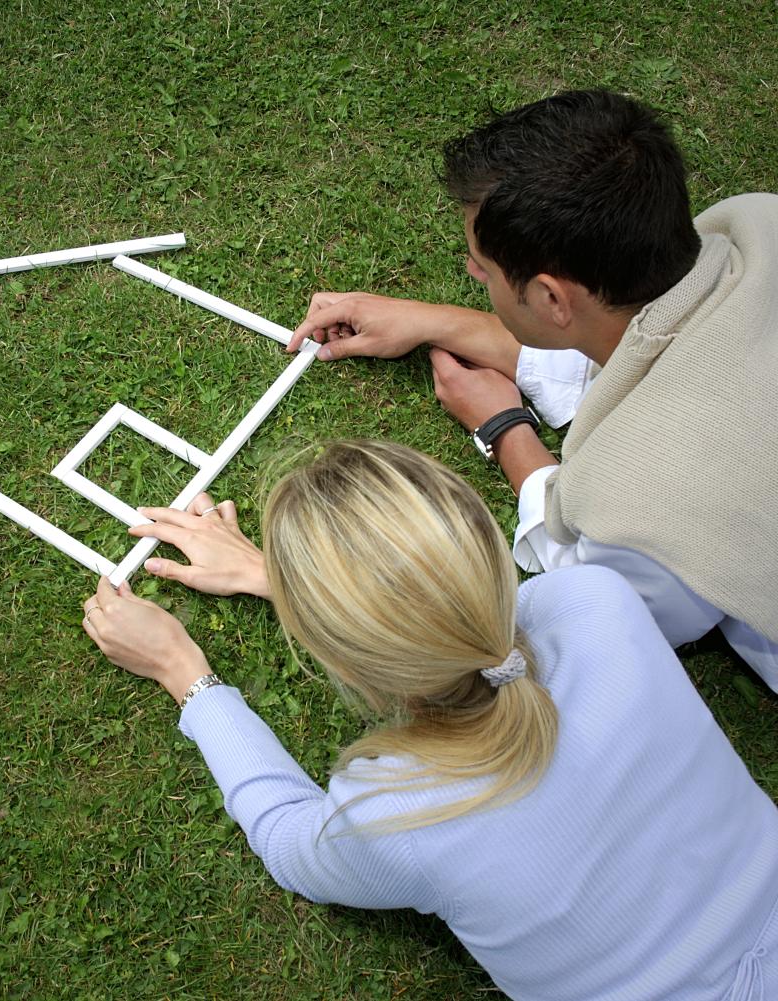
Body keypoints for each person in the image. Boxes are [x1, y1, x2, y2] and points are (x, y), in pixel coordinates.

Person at [82, 440, 778, 1001]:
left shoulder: (403, 814)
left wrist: (183, 670)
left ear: (348, 671)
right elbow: (462, 625)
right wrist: (293, 583)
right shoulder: (598, 601)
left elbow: (289, 840)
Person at [284, 90, 778, 692]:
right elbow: (641, 348)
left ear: (549, 299)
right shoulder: (758, 224)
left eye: (480, 267)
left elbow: (604, 604)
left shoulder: (656, 506)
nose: (471, 273)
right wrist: (438, 322)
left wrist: (506, 430)